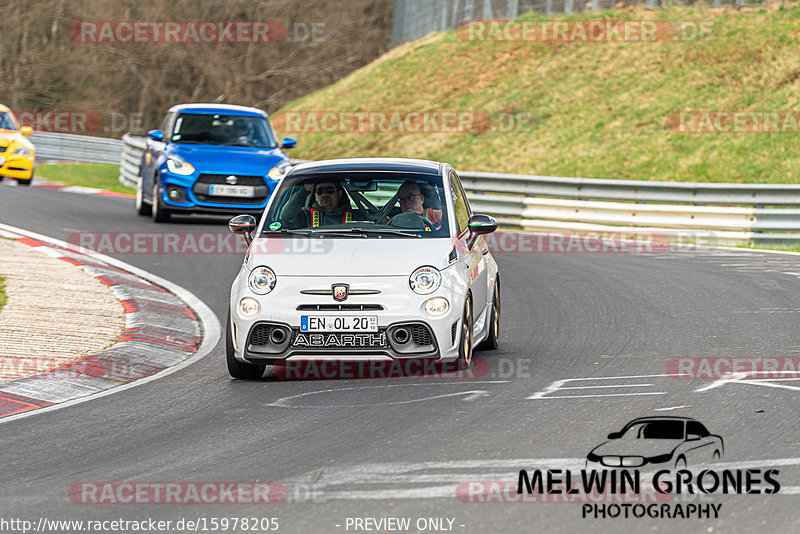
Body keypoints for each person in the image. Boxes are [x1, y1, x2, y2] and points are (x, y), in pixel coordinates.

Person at [280, 181, 358, 229]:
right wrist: (305, 190)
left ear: (339, 194)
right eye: (319, 191)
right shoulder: (306, 216)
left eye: (329, 190)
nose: (324, 194)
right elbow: (286, 217)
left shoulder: (356, 217)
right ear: (315, 196)